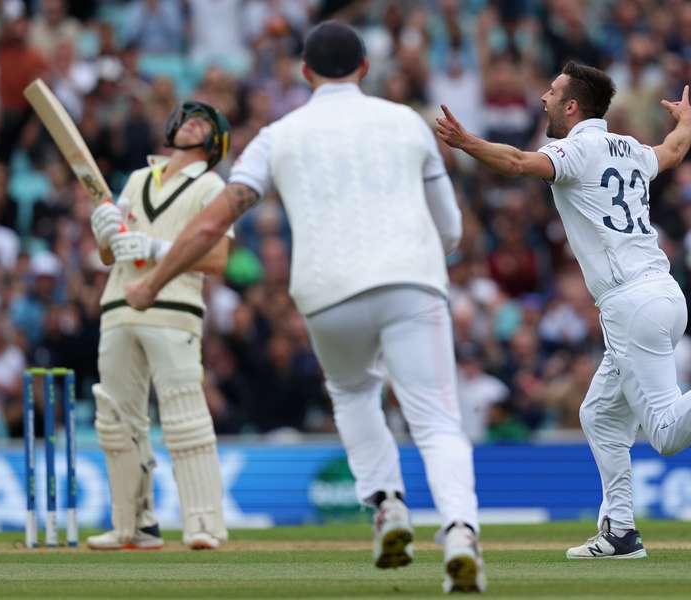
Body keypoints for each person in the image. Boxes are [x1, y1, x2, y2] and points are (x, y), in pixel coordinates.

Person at [124, 21, 486, 594]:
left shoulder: (277, 134)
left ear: (304, 72)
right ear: (366, 67)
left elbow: (214, 222)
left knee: (352, 393)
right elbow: (452, 230)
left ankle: (388, 507)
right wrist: (418, 258)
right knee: (437, 421)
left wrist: (151, 282)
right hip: (411, 282)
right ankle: (460, 532)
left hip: (326, 293)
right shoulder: (407, 123)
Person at [435, 61, 691, 559]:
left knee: (666, 434)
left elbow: (519, 164)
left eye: (552, 92)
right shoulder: (629, 148)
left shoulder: (573, 149)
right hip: (660, 292)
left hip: (630, 303)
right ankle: (620, 531)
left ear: (572, 106)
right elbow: (674, 150)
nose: (543, 99)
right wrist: (686, 121)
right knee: (600, 416)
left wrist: (468, 143)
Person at [86, 101, 233, 550]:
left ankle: (204, 524)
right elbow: (110, 257)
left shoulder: (211, 186)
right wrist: (104, 236)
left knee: (184, 416)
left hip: (174, 308)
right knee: (116, 420)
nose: (191, 122)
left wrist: (155, 246)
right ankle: (134, 525)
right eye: (188, 117)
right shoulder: (135, 179)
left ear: (214, 143)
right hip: (117, 305)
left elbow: (216, 259)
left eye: (203, 122)